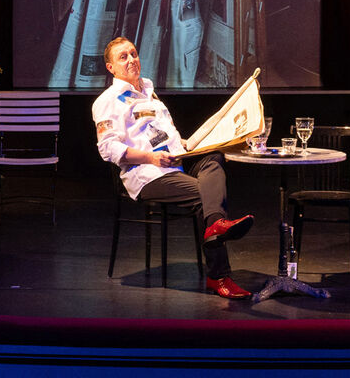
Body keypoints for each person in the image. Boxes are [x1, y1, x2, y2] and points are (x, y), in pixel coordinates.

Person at [92, 35, 254, 299]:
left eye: (133, 54)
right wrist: (150, 158)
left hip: (174, 165)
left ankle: (216, 225)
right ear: (111, 68)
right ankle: (219, 276)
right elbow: (107, 149)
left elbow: (166, 133)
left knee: (213, 158)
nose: (132, 60)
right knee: (206, 195)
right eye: (123, 57)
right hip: (147, 175)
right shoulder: (107, 101)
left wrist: (188, 144)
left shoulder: (150, 92)